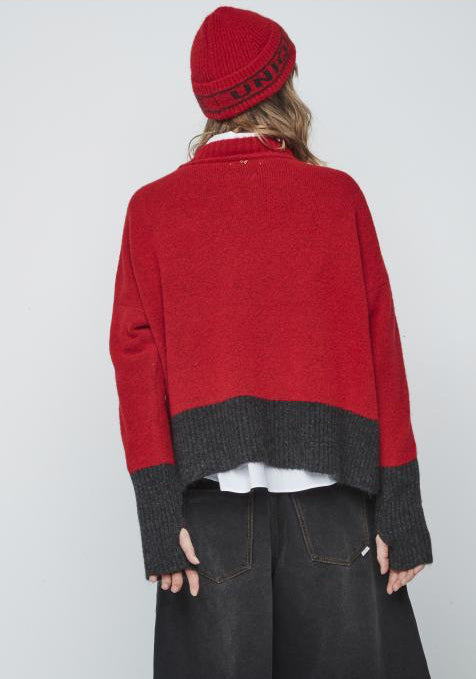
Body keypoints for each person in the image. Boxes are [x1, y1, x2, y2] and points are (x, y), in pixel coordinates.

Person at [109, 6, 433, 678]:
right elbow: (384, 351)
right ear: (282, 87)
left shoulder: (152, 210)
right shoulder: (336, 197)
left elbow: (136, 367)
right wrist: (400, 507)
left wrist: (157, 514)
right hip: (335, 507)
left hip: (208, 518)